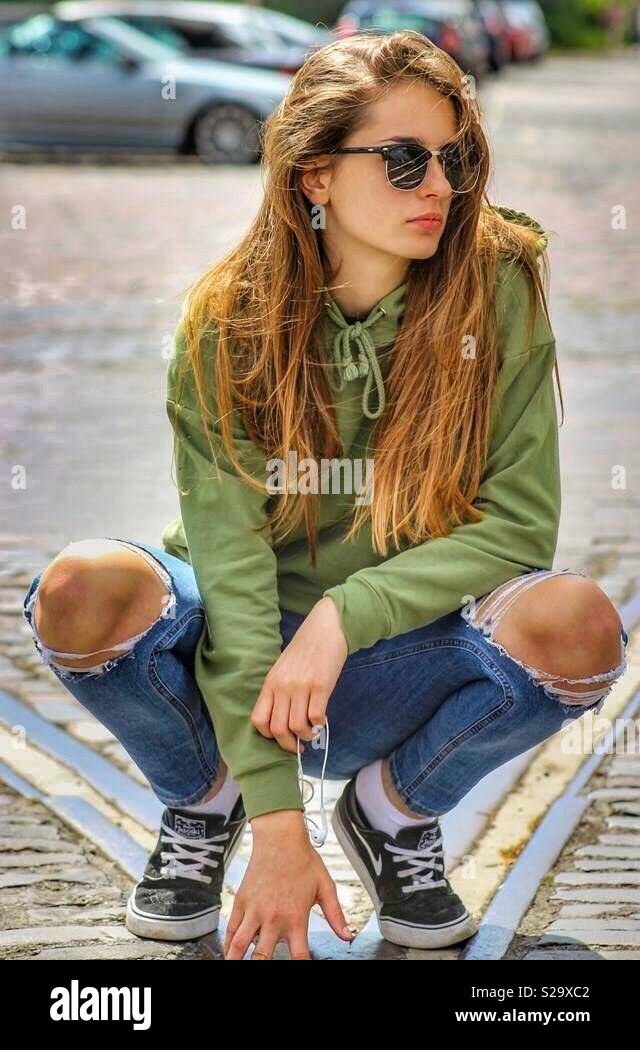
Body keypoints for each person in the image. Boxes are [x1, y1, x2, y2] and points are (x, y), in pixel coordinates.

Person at [22, 31, 628, 960]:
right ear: (314, 176)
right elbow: (230, 578)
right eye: (403, 160)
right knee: (79, 588)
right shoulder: (229, 321)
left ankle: (393, 813)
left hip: (399, 666)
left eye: (454, 158)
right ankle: (205, 795)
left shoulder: (496, 285)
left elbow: (517, 529)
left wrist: (347, 611)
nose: (439, 186)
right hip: (230, 656)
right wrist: (274, 824)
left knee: (582, 627)